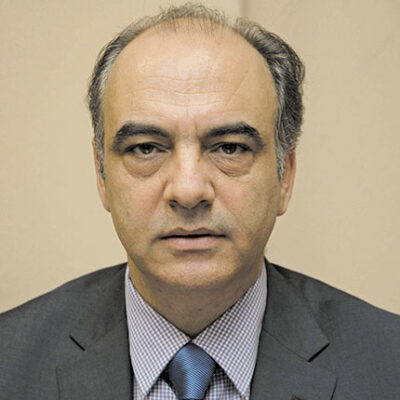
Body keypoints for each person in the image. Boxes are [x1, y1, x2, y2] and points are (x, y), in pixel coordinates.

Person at [0, 3, 399, 399]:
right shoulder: (9, 363)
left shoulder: (388, 366)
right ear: (101, 174)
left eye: (229, 147)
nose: (188, 191)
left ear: (285, 175)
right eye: (145, 148)